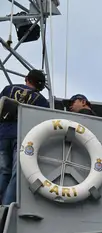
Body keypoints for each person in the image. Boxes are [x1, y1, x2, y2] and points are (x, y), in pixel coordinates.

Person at [0, 69, 49, 205]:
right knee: (17, 173)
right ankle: (6, 206)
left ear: (27, 79)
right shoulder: (42, 101)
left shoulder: (8, 89)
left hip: (3, 134)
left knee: (3, 171)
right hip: (22, 137)